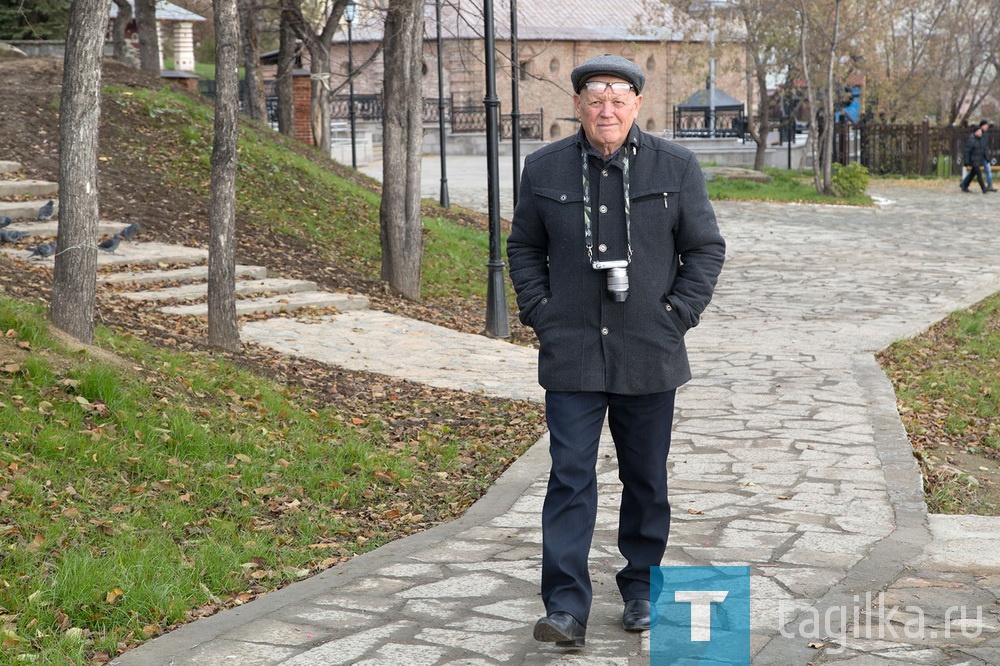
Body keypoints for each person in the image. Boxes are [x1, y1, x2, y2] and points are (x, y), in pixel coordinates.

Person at [507, 54, 726, 648]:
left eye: (618, 97)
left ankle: (640, 591)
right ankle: (565, 608)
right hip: (572, 349)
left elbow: (705, 248)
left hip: (648, 350)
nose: (607, 108)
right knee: (570, 477)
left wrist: (677, 314)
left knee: (646, 479)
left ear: (637, 105)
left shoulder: (675, 167)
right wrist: (541, 312)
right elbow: (523, 247)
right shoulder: (544, 168)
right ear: (577, 105)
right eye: (595, 97)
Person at [960, 120, 989, 193]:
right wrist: (966, 161)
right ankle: (984, 188)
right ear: (976, 132)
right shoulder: (971, 140)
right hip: (973, 160)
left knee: (972, 174)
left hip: (978, 160)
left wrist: (986, 157)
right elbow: (967, 151)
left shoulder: (979, 140)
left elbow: (982, 150)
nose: (981, 133)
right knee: (979, 175)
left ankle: (964, 185)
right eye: (979, 131)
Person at [982, 122, 996, 192]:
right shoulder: (981, 134)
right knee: (974, 171)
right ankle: (989, 185)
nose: (987, 127)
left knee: (988, 170)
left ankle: (990, 185)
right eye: (985, 125)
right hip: (981, 155)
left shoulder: (986, 134)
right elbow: (983, 146)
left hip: (984, 155)